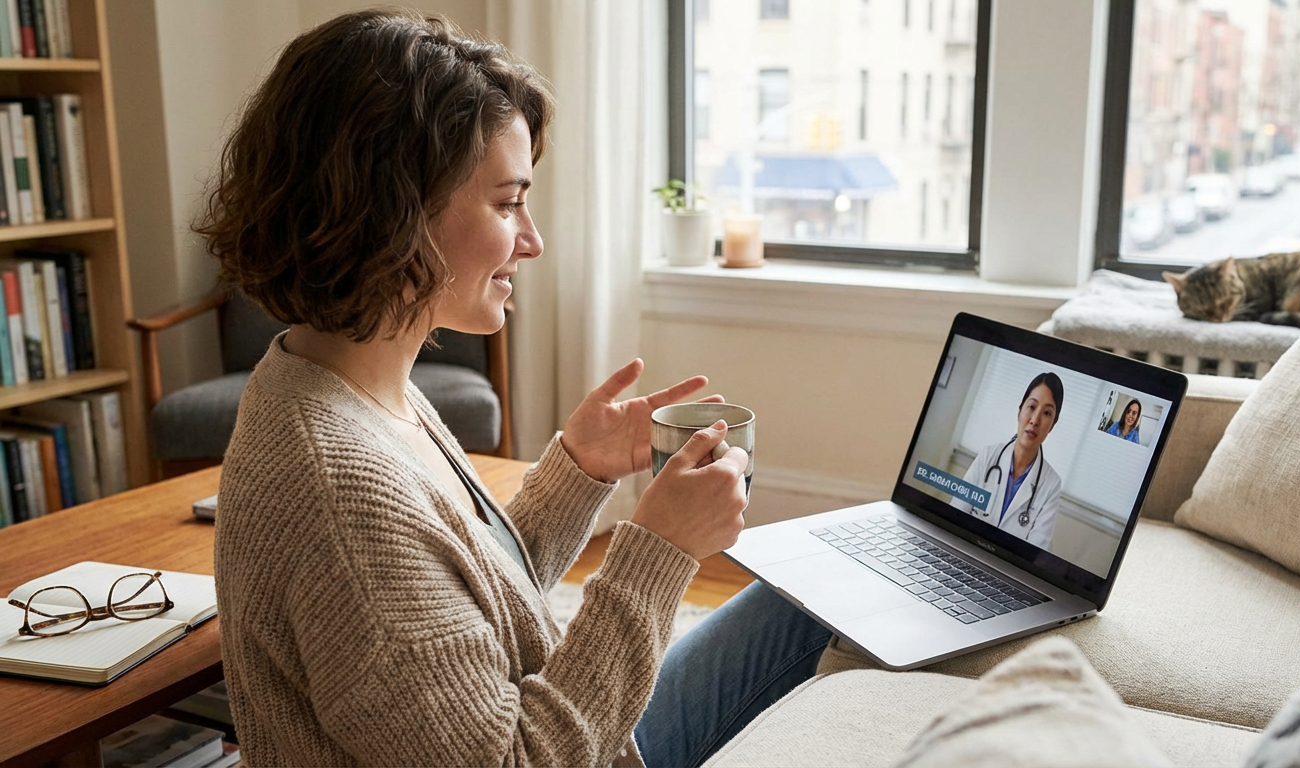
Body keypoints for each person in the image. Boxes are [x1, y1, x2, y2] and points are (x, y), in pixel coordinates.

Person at [203, 11, 830, 767]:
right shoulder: (341, 486)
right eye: (506, 203)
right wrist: (659, 552)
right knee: (818, 611)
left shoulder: (345, 380)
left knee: (813, 589)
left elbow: (462, 607)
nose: (531, 239)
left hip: (574, 732)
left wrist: (579, 471)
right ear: (393, 212)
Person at [950, 373, 1065, 549]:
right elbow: (955, 517)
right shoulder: (988, 455)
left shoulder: (1051, 484)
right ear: (1020, 410)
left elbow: (1036, 552)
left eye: (1047, 413)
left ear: (1053, 425)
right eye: (1032, 407)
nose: (1035, 420)